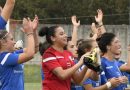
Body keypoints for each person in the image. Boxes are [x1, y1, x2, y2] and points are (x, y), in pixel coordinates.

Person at [41, 25, 89, 90]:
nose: (65, 35)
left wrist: (87, 64)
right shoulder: (49, 54)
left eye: (64, 33)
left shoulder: (68, 54)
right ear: (53, 38)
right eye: (61, 34)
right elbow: (62, 75)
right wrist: (80, 62)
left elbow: (77, 80)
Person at [0, 16, 39, 90]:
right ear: (3, 42)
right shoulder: (4, 57)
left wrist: (33, 31)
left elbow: (35, 49)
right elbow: (30, 54)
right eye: (11, 39)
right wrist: (29, 33)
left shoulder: (13, 54)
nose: (14, 42)